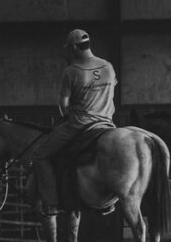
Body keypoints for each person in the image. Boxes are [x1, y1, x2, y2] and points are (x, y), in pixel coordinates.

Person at [31, 29, 117, 216]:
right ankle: (109, 201)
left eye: (69, 49)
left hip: (80, 125)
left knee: (40, 155)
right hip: (107, 124)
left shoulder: (71, 72)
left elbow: (63, 106)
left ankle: (51, 202)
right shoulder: (108, 67)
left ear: (74, 48)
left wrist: (66, 116)